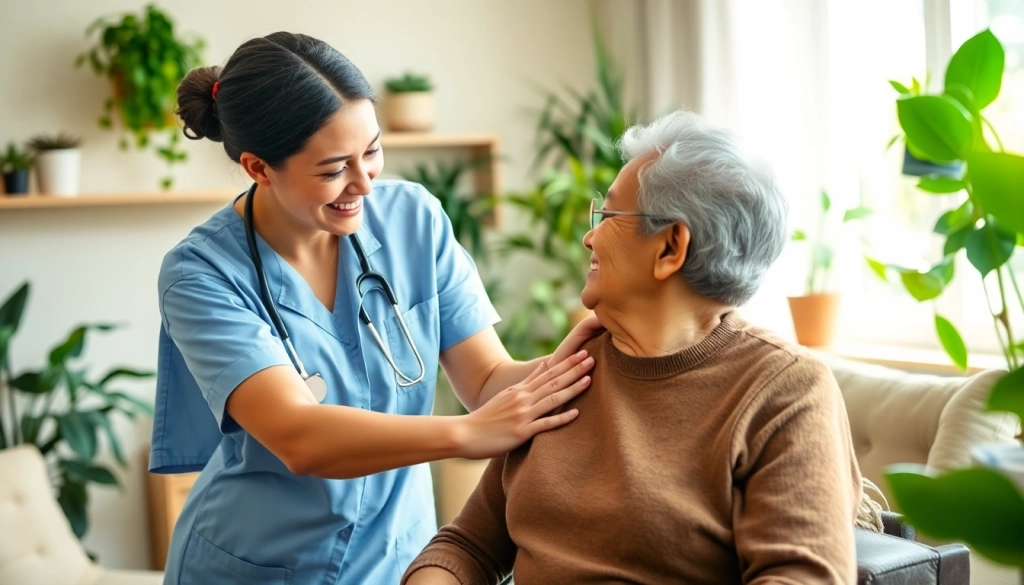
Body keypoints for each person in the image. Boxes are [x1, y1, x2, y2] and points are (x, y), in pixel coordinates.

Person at [150, 32, 600, 585]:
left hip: (396, 559)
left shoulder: (414, 218)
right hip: (253, 565)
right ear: (258, 167)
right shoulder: (201, 273)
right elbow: (299, 436)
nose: (364, 184)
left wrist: (601, 354)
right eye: (333, 169)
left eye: (371, 151)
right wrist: (467, 433)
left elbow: (486, 378)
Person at [403, 111, 873, 585]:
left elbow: (800, 578)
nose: (589, 235)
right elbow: (466, 547)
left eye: (606, 215)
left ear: (670, 247)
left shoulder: (786, 389)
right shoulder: (570, 373)